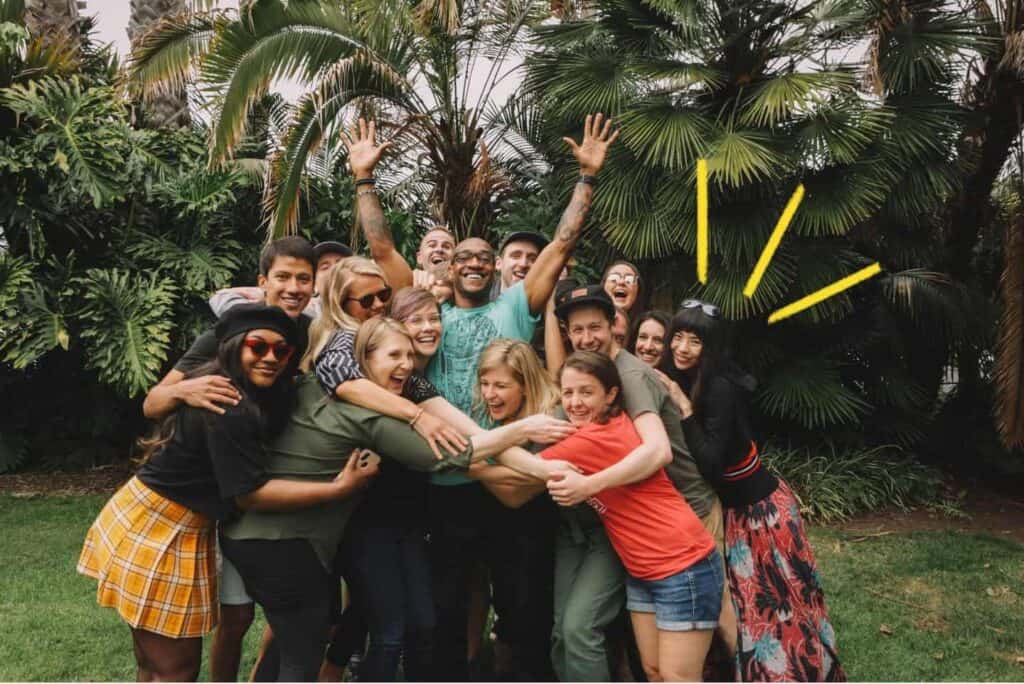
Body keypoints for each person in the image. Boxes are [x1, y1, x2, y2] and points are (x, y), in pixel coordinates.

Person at [425, 113, 619, 681]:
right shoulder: (430, 316)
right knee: (448, 601)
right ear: (448, 264)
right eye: (465, 257)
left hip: (509, 474)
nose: (476, 264)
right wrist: (364, 181)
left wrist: (587, 179)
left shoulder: (513, 306)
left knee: (522, 600)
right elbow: (384, 255)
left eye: (485, 258)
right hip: (447, 485)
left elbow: (561, 244)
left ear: (495, 269)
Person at [77, 305, 358, 682]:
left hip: (159, 515)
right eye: (258, 347)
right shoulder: (229, 405)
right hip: (162, 527)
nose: (270, 357)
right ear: (234, 347)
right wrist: (338, 488)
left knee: (154, 665)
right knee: (177, 668)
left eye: (282, 351)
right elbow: (249, 495)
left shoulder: (238, 389)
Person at [141, 236, 316, 682]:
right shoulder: (225, 336)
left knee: (281, 612)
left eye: (303, 278)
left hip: (261, 490)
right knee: (232, 619)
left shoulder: (313, 334)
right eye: (283, 277)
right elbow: (152, 402)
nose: (294, 287)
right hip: (220, 497)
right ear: (263, 281)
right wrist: (184, 389)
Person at [656, 300, 846, 682]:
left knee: (780, 603)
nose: (682, 348)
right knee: (741, 602)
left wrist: (681, 404)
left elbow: (711, 462)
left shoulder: (719, 387)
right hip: (732, 512)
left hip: (762, 514)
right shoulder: (680, 376)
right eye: (677, 337)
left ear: (711, 348)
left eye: (694, 341)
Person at [543, 284, 721, 681]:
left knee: (703, 652)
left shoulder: (628, 376)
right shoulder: (591, 376)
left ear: (615, 326)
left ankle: (773, 669)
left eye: (595, 327)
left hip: (683, 513)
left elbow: (658, 451)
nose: (587, 337)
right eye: (578, 330)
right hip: (641, 538)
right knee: (655, 668)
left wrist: (589, 486)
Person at [474, 339, 563, 680]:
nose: (489, 394)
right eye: (485, 384)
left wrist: (470, 465)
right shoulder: (496, 418)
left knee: (533, 624)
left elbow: (516, 493)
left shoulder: (549, 420)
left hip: (541, 542)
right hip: (504, 541)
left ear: (525, 385)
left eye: (500, 385)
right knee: (510, 617)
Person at [208, 239, 353, 318]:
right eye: (325, 267)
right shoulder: (306, 311)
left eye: (341, 264)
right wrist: (267, 294)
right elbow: (220, 297)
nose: (335, 270)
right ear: (314, 285)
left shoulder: (371, 307)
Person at [490, 231, 550, 300]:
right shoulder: (478, 302)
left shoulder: (550, 305)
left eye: (533, 259)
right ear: (498, 263)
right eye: (516, 256)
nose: (523, 264)